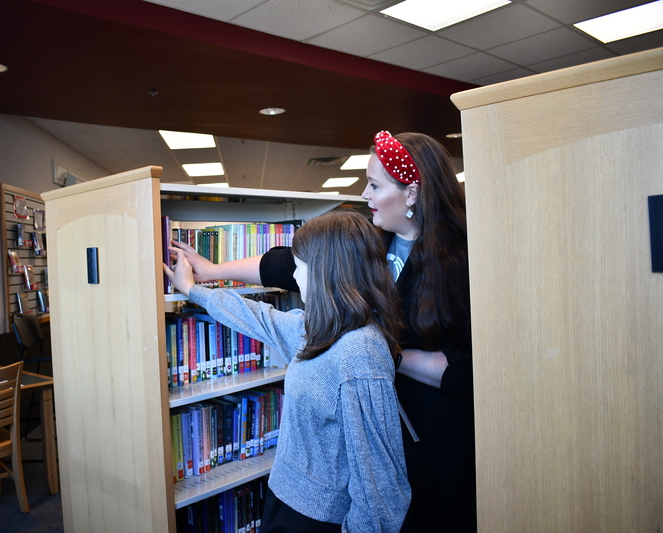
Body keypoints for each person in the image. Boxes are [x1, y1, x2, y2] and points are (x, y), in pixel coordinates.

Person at [172, 131, 474, 533]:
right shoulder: (366, 242)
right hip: (323, 471)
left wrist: (383, 354)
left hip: (426, 431)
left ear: (412, 193)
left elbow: (470, 369)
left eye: (375, 185)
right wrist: (206, 279)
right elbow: (282, 270)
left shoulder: (459, 267)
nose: (365, 195)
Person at [163, 209, 411, 533]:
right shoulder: (318, 328)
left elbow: (382, 492)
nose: (294, 277)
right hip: (283, 498)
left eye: (301, 267)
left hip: (318, 519)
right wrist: (193, 289)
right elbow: (256, 316)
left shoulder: (360, 353)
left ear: (327, 273)